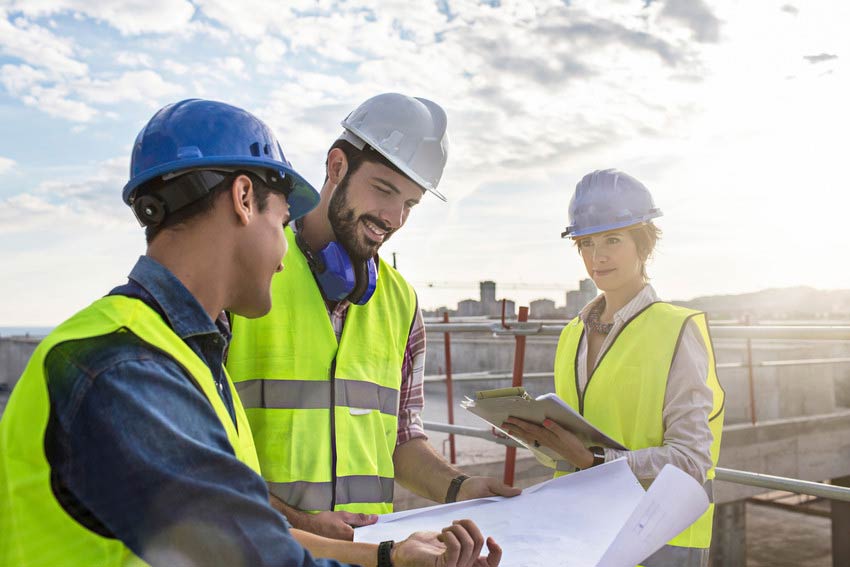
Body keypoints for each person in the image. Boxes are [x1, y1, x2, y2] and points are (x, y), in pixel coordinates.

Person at [0, 99, 501, 567]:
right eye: (281, 219)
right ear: (244, 199)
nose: (284, 256)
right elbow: (243, 549)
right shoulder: (127, 367)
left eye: (411, 203)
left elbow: (237, 520)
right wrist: (378, 557)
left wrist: (387, 553)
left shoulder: (185, 352)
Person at [226, 93, 520, 543]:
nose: (394, 218)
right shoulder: (245, 274)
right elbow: (200, 449)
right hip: (262, 549)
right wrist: (299, 523)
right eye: (384, 190)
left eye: (410, 204)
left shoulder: (401, 302)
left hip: (372, 554)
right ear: (336, 167)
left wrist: (459, 487)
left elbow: (401, 438)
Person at [501, 169, 724, 567]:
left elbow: (692, 460)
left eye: (612, 240)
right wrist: (536, 437)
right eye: (586, 243)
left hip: (658, 539)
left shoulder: (676, 329)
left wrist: (597, 461)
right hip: (580, 534)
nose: (597, 256)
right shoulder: (572, 334)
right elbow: (570, 454)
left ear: (644, 245)